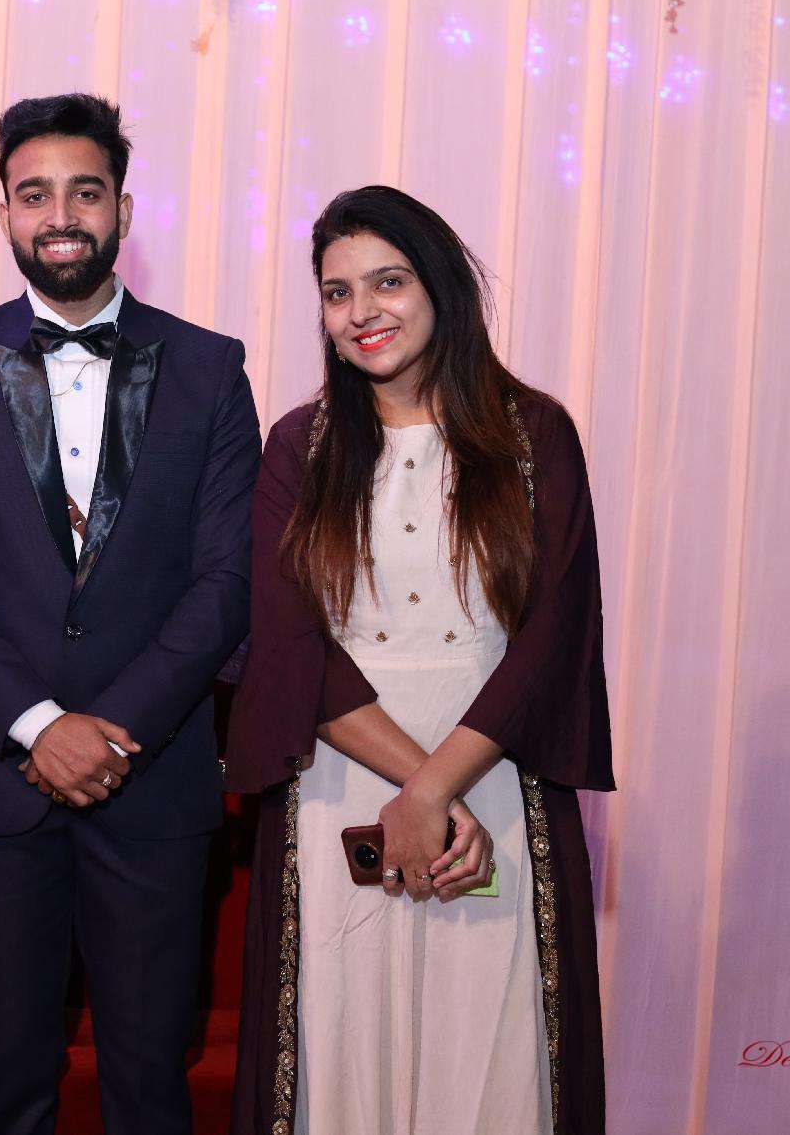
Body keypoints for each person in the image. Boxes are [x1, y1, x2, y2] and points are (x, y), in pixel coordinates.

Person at [0, 93, 259, 1135]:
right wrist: (39, 725)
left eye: (84, 192)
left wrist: (112, 729)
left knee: (151, 1082)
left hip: (155, 781)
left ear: (123, 210)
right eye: (34, 193)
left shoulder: (211, 367)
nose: (60, 215)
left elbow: (226, 583)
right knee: (6, 1081)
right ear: (5, 212)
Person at [225, 185, 615, 1134]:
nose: (362, 311)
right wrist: (421, 793)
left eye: (388, 282)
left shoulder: (534, 436)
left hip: (495, 782)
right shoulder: (300, 447)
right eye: (337, 292)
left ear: (440, 284)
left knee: (487, 1046)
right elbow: (290, 645)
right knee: (343, 1041)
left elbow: (552, 638)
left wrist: (440, 791)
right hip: (340, 787)